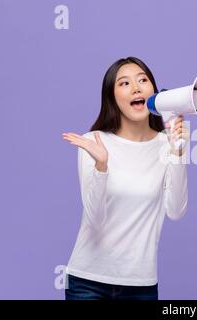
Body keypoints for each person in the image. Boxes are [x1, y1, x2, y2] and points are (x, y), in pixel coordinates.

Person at [61, 57, 189, 300]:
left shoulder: (167, 145)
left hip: (141, 285)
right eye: (124, 83)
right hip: (87, 282)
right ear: (112, 97)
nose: (136, 88)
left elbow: (175, 211)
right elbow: (94, 218)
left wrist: (178, 153)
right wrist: (101, 166)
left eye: (143, 80)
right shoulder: (94, 142)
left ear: (153, 91)